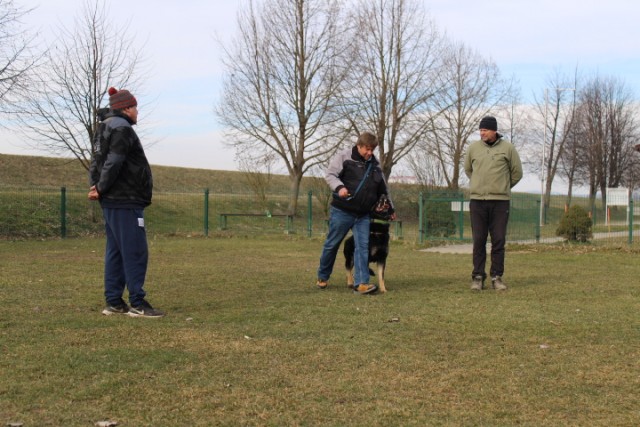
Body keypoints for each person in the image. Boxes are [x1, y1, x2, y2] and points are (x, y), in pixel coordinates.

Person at [88, 87, 165, 317]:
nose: (137, 113)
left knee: (116, 251)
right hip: (125, 198)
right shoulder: (122, 128)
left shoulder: (103, 128)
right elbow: (115, 161)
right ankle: (138, 304)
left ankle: (114, 302)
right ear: (126, 108)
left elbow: (96, 161)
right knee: (135, 250)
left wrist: (95, 186)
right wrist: (101, 186)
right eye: (135, 108)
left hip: (111, 199)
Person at [316, 131, 396, 294]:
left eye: (372, 149)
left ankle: (361, 283)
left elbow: (383, 189)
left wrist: (391, 208)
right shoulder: (344, 157)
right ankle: (323, 276)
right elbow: (330, 175)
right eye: (367, 149)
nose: (370, 153)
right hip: (342, 211)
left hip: (363, 215)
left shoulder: (375, 165)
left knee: (362, 247)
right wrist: (340, 187)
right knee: (332, 244)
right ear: (359, 146)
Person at [464, 116, 523, 291]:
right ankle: (478, 277)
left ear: (494, 131)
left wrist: (503, 187)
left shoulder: (508, 148)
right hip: (478, 201)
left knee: (498, 240)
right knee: (479, 240)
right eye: (480, 130)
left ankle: (497, 277)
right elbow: (468, 170)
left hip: (500, 203)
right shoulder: (473, 148)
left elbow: (517, 173)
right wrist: (479, 185)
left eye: (485, 130)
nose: (482, 133)